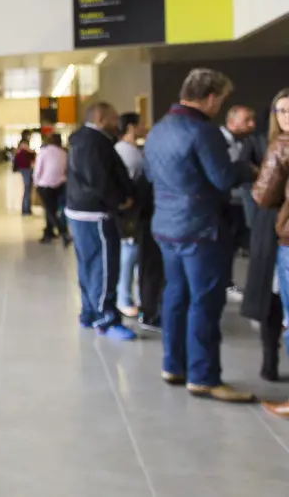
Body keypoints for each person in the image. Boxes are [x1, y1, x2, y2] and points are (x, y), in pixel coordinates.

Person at [145, 69, 255, 403]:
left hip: (166, 226)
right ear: (210, 98)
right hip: (200, 229)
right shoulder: (203, 131)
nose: (219, 106)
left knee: (175, 296)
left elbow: (150, 174)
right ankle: (204, 377)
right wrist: (246, 168)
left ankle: (173, 366)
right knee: (205, 302)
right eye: (220, 99)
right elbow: (222, 178)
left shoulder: (158, 129)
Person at [65, 102, 137, 341]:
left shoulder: (83, 139)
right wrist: (120, 201)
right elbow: (99, 179)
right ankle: (106, 318)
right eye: (113, 117)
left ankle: (89, 312)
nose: (117, 122)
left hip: (82, 212)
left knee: (88, 265)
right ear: (100, 118)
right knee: (103, 267)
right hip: (95, 214)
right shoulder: (93, 142)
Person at [244, 92, 289, 383]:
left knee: (276, 300)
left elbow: (262, 195)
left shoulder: (280, 146)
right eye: (281, 110)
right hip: (272, 229)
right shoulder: (264, 141)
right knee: (271, 298)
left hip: (279, 230)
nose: (286, 116)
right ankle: (269, 362)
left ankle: (270, 363)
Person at [115, 112, 145, 318]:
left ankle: (137, 296)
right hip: (129, 212)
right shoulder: (123, 151)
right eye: (141, 124)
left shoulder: (133, 150)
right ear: (131, 127)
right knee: (129, 252)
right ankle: (123, 298)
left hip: (138, 210)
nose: (144, 127)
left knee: (135, 253)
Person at [220, 106, 257, 267]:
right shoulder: (217, 141)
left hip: (240, 202)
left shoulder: (243, 142)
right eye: (247, 120)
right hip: (225, 204)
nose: (252, 124)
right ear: (231, 122)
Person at [33, 133, 70, 245]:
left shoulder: (43, 152)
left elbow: (38, 169)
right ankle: (49, 233)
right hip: (60, 185)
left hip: (45, 185)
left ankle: (63, 232)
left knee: (50, 211)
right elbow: (66, 169)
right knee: (52, 209)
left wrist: (36, 182)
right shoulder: (64, 153)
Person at [13, 135, 36, 215]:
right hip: (25, 171)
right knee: (27, 189)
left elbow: (33, 158)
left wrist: (30, 151)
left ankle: (27, 209)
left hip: (29, 171)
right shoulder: (20, 153)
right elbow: (19, 163)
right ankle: (25, 209)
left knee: (29, 190)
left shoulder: (27, 152)